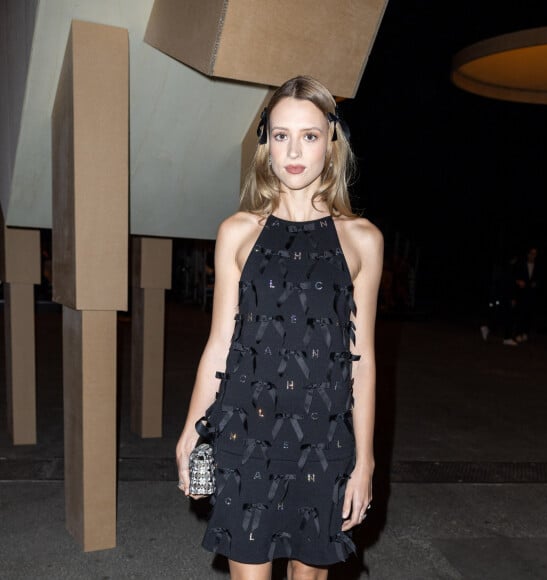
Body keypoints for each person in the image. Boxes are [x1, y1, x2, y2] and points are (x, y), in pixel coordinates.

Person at [175, 75, 384, 580]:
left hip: (324, 437)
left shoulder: (363, 241)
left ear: (331, 145)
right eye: (281, 134)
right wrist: (190, 432)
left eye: (309, 136)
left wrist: (365, 461)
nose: (294, 150)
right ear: (265, 143)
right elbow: (221, 344)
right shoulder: (237, 232)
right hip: (245, 434)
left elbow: (364, 361)